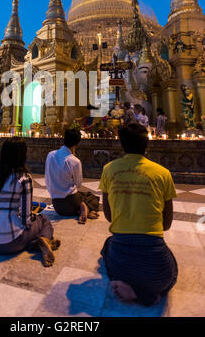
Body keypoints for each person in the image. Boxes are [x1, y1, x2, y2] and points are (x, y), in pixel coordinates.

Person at [99, 123, 178, 306]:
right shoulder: (163, 173)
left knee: (107, 248)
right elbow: (166, 224)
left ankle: (122, 281)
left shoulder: (109, 169)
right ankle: (145, 294)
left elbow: (109, 216)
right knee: (171, 276)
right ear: (146, 144)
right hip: (156, 262)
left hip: (120, 252)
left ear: (122, 144)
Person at [0, 138, 59, 267]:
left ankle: (34, 244)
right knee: (43, 220)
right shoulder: (24, 178)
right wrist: (34, 217)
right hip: (10, 243)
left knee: (25, 224)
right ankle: (44, 240)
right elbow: (26, 219)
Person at [45, 129, 99, 224]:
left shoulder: (50, 155)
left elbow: (48, 178)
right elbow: (78, 184)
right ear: (77, 143)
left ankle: (81, 207)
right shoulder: (74, 161)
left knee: (84, 195)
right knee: (93, 198)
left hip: (57, 204)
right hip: (72, 203)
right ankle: (85, 207)